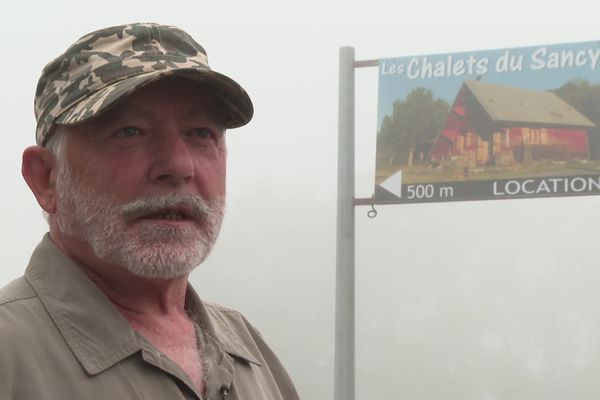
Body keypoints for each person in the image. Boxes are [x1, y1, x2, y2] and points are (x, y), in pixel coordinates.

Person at [0, 23, 299, 400]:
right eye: (130, 131)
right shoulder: (11, 356)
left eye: (202, 133)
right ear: (46, 178)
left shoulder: (248, 352)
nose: (178, 165)